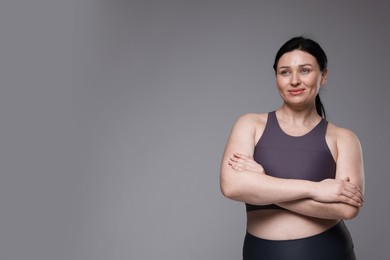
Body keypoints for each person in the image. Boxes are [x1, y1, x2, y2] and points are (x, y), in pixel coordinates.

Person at [220, 36, 365, 260]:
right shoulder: (250, 124)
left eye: (305, 70)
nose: (294, 80)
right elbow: (232, 187)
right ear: (276, 77)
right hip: (262, 253)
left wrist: (263, 184)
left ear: (323, 76)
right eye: (285, 72)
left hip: (328, 251)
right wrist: (316, 189)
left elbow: (347, 209)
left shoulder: (344, 138)